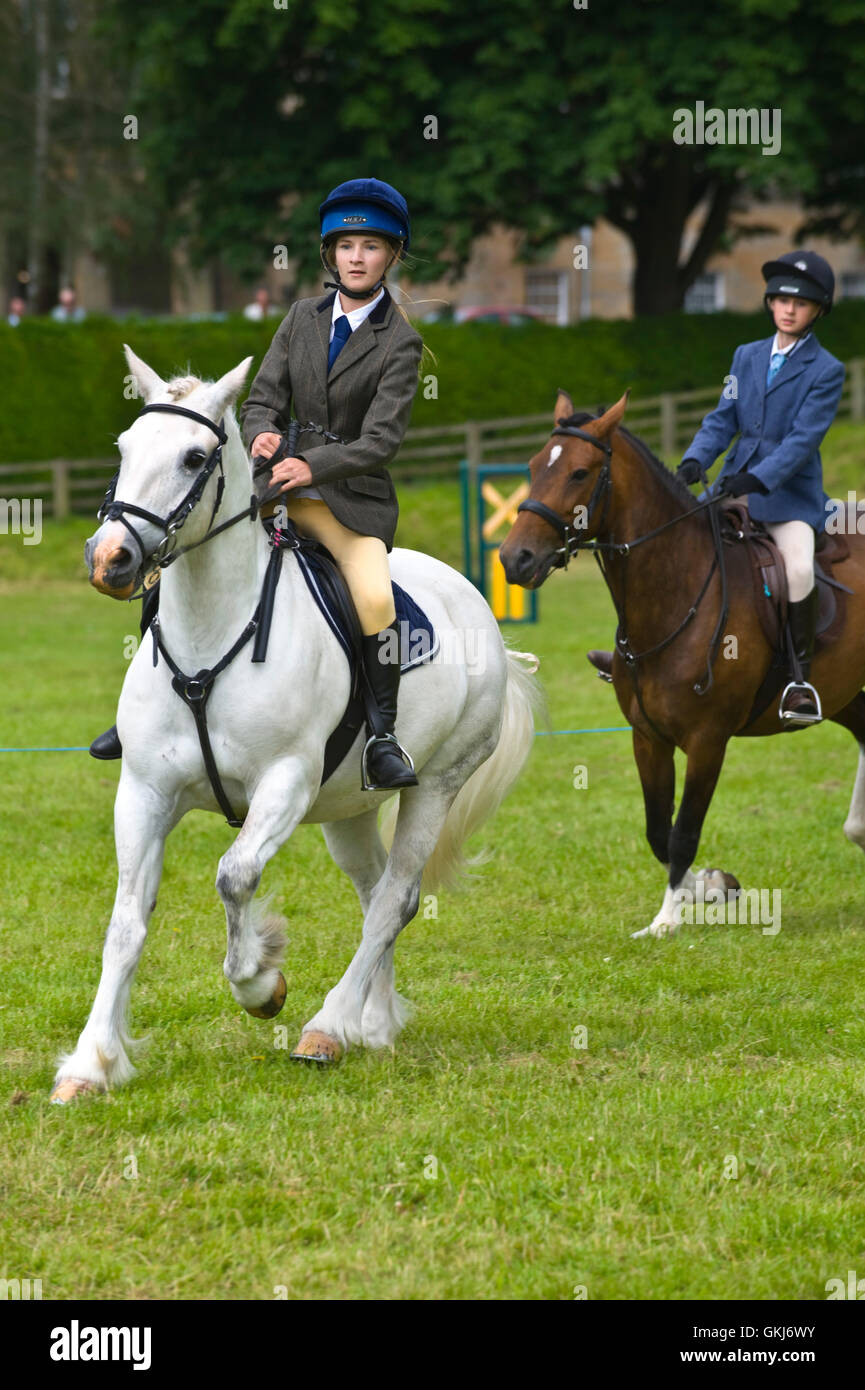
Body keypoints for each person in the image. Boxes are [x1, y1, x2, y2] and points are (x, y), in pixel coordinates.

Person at [90, 177, 423, 791]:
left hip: (351, 504)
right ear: (329, 253)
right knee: (177, 558)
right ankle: (134, 716)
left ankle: (381, 736)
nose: (356, 257)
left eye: (371, 246)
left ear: (391, 256)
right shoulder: (301, 318)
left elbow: (382, 441)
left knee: (375, 598)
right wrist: (265, 436)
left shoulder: (400, 342)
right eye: (346, 245)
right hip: (275, 491)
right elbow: (261, 400)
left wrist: (313, 466)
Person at [676, 250, 844, 724]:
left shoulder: (825, 370)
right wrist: (694, 459)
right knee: (678, 548)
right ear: (770, 303)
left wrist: (759, 478)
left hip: (788, 498)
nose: (789, 310)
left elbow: (802, 441)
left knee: (797, 573)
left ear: (817, 312)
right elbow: (722, 418)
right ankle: (647, 656)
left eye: (802, 304)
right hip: (731, 484)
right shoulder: (746, 356)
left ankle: (799, 680)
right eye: (782, 301)